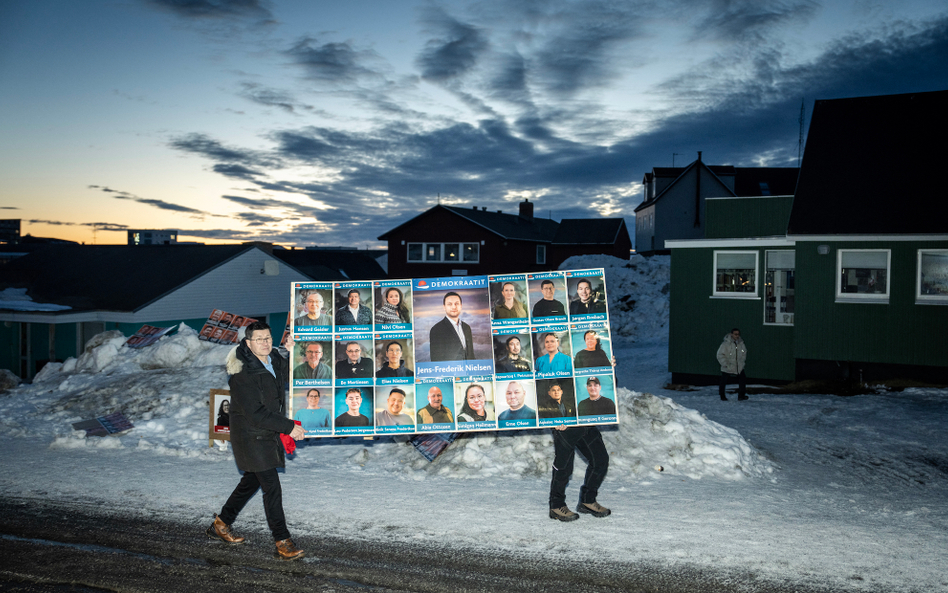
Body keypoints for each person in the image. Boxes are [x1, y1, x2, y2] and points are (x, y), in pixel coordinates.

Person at [207, 321, 306, 560]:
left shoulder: (271, 357)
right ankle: (282, 540)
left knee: (252, 480)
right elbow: (256, 413)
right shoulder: (242, 373)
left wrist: (292, 354)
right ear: (248, 342)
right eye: (259, 339)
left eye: (268, 338)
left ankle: (221, 523)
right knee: (271, 487)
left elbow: (288, 375)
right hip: (251, 435)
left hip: (266, 432)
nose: (265, 343)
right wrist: (289, 427)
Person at [428, 292, 474, 361]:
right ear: (444, 307)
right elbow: (436, 360)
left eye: (457, 303)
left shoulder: (467, 328)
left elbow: (471, 355)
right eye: (449, 304)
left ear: (461, 306)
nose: (454, 307)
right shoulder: (436, 330)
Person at [716, 328, 748, 401]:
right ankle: (722, 396)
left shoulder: (741, 343)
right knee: (723, 381)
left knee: (742, 379)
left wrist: (742, 362)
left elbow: (744, 352)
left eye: (738, 334)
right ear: (731, 334)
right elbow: (720, 355)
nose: (737, 336)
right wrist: (725, 364)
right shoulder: (725, 344)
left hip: (738, 366)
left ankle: (741, 395)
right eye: (735, 334)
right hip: (728, 366)